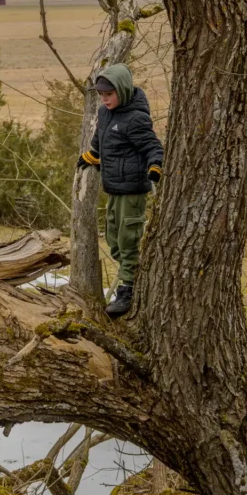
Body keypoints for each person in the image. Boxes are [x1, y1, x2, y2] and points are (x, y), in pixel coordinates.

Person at [76, 63, 163, 317]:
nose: (104, 99)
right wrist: (93, 155)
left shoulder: (136, 118)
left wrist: (155, 166)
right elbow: (100, 139)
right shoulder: (105, 113)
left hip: (133, 190)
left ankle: (128, 289)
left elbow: (152, 146)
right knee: (114, 239)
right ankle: (131, 274)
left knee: (128, 239)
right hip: (113, 187)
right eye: (102, 95)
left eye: (109, 94)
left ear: (122, 91)